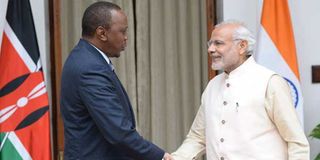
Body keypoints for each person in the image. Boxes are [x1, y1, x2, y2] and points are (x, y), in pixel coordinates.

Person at [172, 21, 310, 160]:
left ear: (242, 46)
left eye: (218, 43)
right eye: (210, 44)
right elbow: (197, 138)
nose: (211, 49)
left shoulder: (270, 82)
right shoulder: (212, 86)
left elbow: (297, 142)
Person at [60, 2, 172, 160]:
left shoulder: (86, 58)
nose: (126, 38)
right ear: (102, 33)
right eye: (122, 31)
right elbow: (118, 131)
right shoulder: (89, 68)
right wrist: (161, 156)